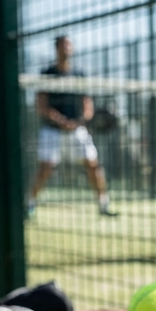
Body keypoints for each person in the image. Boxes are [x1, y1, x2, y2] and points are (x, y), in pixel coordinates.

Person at [29, 35, 117, 218]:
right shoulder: (47, 74)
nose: (67, 48)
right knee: (45, 169)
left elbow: (87, 104)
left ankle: (103, 205)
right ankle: (30, 205)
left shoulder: (79, 74)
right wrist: (61, 121)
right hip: (52, 131)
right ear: (57, 48)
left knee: (93, 165)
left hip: (77, 130)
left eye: (69, 45)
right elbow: (42, 105)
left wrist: (81, 121)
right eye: (63, 45)